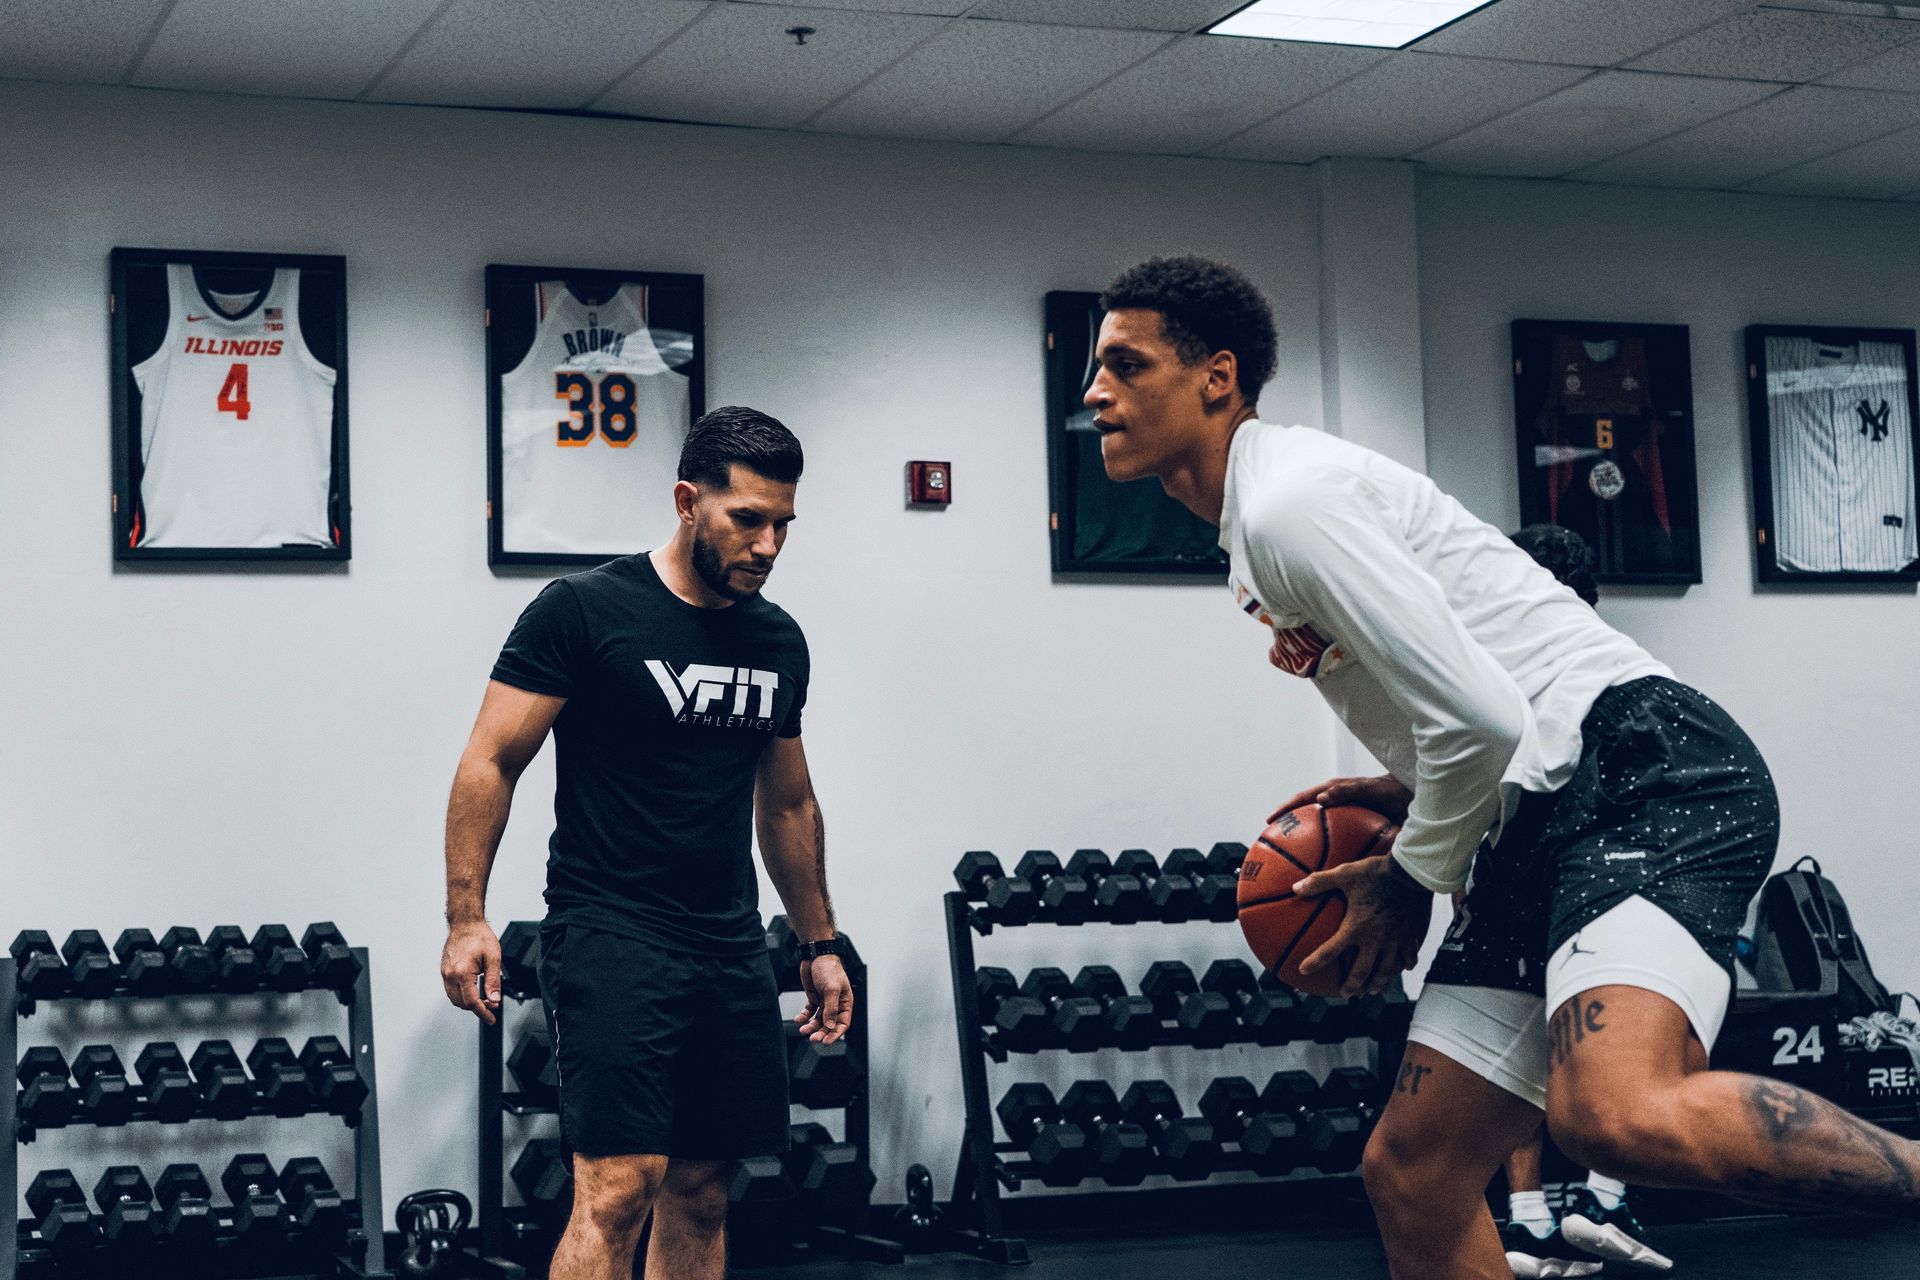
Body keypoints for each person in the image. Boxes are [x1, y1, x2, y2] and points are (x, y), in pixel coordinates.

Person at [1081, 255, 1920, 1280]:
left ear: (1217, 376)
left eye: (1124, 364)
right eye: (1097, 368)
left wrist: (1407, 875)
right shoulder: (1259, 521)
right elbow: (1477, 702)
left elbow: (1480, 716)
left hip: (1647, 767)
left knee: (1614, 1115)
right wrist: (1407, 793)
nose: (1095, 391)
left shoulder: (1286, 504)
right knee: (1415, 1172)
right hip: (1543, 801)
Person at [438, 405, 852, 1280]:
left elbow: (786, 806)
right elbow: (490, 761)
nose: (769, 545)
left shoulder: (778, 640)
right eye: (748, 519)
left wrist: (819, 942)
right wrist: (465, 917)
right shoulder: (584, 612)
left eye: (784, 525)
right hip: (611, 931)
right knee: (620, 1184)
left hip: (728, 944)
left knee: (703, 1188)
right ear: (686, 501)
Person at [1493, 526, 1668, 1278]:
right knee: (1618, 1039)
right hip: (1593, 873)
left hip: (1519, 863)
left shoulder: (1503, 661)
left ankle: (1531, 1220)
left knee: (1518, 1050)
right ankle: (1599, 1199)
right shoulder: (1615, 671)